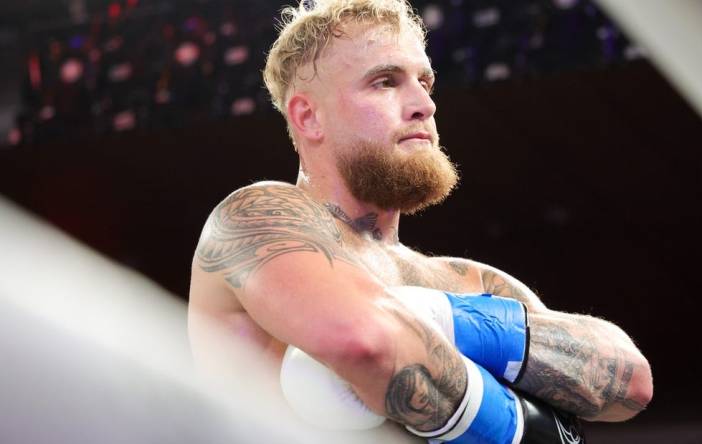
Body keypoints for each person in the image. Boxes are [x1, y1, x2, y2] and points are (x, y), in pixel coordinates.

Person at [188, 0, 652, 442]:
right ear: (309, 117)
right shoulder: (257, 219)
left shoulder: (470, 281)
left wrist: (436, 317)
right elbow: (363, 341)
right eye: (385, 82)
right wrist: (517, 419)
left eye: (424, 83)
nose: (423, 106)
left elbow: (628, 381)